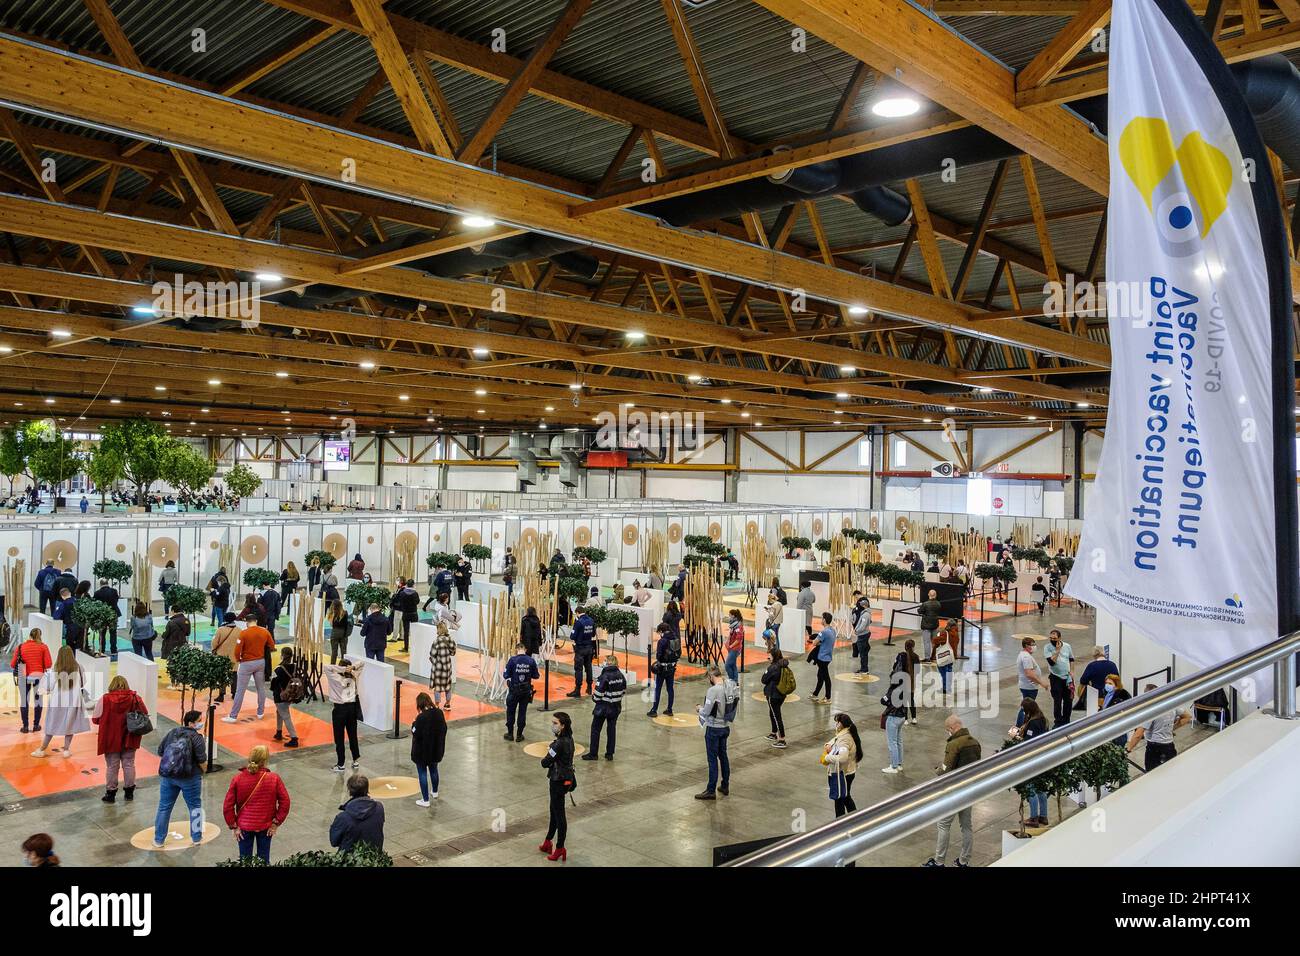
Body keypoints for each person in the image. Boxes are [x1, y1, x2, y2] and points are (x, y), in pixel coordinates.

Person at [925, 715, 983, 867]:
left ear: (951, 728)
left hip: (954, 791)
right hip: (969, 789)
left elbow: (946, 769)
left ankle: (939, 861)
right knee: (966, 826)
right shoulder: (975, 743)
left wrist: (938, 770)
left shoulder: (954, 744)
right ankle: (964, 861)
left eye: (947, 730)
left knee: (943, 824)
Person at [222, 745, 290, 864]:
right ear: (265, 761)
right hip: (266, 826)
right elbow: (285, 802)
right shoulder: (274, 778)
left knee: (245, 861)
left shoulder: (238, 779)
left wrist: (234, 826)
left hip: (244, 827)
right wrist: (276, 822)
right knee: (263, 861)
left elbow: (227, 806)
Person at [152, 710, 207, 848]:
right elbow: (201, 759)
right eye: (199, 720)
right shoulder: (197, 738)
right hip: (190, 777)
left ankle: (159, 839)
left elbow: (160, 751)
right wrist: (204, 771)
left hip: (169, 776)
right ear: (191, 723)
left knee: (164, 807)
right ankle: (196, 837)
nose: (201, 723)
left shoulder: (172, 732)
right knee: (195, 807)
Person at [92, 674, 148, 802]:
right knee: (129, 764)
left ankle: (110, 793)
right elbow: (144, 714)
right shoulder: (135, 697)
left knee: (112, 766)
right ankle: (129, 792)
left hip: (110, 737)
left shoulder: (104, 699)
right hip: (130, 736)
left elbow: (95, 719)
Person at [31, 646, 89, 758]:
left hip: (57, 702)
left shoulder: (55, 670)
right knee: (70, 725)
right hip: (74, 701)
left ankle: (42, 749)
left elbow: (48, 686)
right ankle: (66, 750)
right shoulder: (79, 668)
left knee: (51, 725)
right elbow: (83, 683)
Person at [695, 664, 736, 800]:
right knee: (723, 756)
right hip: (725, 727)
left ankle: (711, 789)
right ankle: (725, 785)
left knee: (712, 759)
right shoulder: (730, 685)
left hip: (714, 728)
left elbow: (706, 711)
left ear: (711, 677)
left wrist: (699, 709)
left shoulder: (713, 691)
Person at [538, 711, 575, 862]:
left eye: (555, 723)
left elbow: (544, 762)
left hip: (557, 781)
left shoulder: (558, 744)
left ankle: (560, 848)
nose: (552, 726)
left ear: (563, 726)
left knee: (559, 815)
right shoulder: (569, 739)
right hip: (566, 779)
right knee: (554, 810)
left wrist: (549, 753)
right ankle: (548, 841)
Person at [1127, 687, 1191, 771]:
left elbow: (1138, 735)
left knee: (1152, 774)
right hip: (1169, 747)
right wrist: (1172, 728)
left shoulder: (1151, 711)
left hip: (1154, 749)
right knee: (1170, 772)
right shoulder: (1171, 705)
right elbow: (1187, 717)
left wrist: (1128, 749)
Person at [223, 618, 275, 722]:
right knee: (261, 688)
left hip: (246, 663)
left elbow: (237, 650)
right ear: (256, 621)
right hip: (260, 662)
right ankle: (260, 712)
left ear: (247, 622)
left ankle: (233, 716)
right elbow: (272, 645)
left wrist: (239, 659)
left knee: (240, 690)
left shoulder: (244, 633)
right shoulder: (265, 631)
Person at [1011, 698, 1050, 825]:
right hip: (1043, 758)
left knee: (1031, 788)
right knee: (1041, 788)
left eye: (1023, 709)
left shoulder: (1033, 723)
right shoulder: (1043, 719)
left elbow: (1029, 742)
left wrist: (1016, 737)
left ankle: (1033, 817)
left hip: (1033, 759)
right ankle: (1043, 816)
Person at [324, 658, 365, 771]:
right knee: (353, 735)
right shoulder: (354, 675)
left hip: (339, 710)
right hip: (352, 709)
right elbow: (361, 663)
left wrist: (342, 669)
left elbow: (327, 667)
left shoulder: (335, 677)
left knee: (339, 738)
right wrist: (351, 668)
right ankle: (355, 760)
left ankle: (341, 764)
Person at [584, 654, 626, 761]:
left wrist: (594, 698)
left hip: (603, 708)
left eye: (604, 661)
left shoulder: (604, 677)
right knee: (611, 730)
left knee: (595, 729)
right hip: (616, 707)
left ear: (607, 663)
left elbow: (598, 695)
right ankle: (609, 753)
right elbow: (623, 691)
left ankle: (593, 754)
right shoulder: (621, 676)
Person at [822, 713, 863, 819]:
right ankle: (854, 819)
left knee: (839, 799)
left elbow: (842, 758)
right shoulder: (847, 734)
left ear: (842, 724)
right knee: (845, 796)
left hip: (842, 774)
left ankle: (840, 821)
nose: (836, 724)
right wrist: (829, 744)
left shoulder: (845, 739)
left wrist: (827, 758)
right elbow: (836, 740)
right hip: (848, 772)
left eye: (837, 722)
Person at [330, 774, 385, 853]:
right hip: (374, 855)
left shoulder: (343, 817)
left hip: (351, 859)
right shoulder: (379, 808)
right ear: (367, 789)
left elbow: (334, 841)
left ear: (349, 790)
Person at [11, 627, 51, 733]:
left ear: (30, 635)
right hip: (39, 677)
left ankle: (25, 727)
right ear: (40, 636)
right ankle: (36, 725)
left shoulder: (21, 647)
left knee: (24, 701)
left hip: (24, 677)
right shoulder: (43, 647)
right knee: (38, 701)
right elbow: (48, 664)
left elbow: (12, 664)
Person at [410, 692, 447, 806]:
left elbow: (415, 732)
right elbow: (444, 728)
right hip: (435, 750)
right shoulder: (439, 713)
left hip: (422, 752)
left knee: (422, 773)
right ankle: (434, 792)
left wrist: (413, 725)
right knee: (434, 770)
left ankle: (425, 800)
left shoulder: (421, 718)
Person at [503, 642, 540, 741]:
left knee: (510, 711)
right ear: (525, 650)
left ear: (516, 649)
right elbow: (536, 676)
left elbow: (506, 675)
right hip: (526, 691)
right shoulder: (531, 661)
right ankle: (519, 735)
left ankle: (510, 734)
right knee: (522, 712)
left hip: (514, 690)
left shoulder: (512, 660)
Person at [881, 651, 909, 773]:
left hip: (893, 715)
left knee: (892, 742)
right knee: (898, 741)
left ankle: (893, 766)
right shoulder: (907, 678)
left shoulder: (895, 683)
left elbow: (885, 699)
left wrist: (884, 699)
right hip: (902, 715)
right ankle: (899, 764)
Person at [760, 648, 792, 748]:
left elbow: (764, 680)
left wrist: (768, 669)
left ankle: (781, 739)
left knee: (776, 716)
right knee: (773, 713)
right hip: (781, 694)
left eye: (769, 655)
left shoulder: (773, 667)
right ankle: (774, 733)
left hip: (773, 694)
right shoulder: (783, 665)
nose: (768, 657)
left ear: (773, 656)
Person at [270, 647, 300, 748]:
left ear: (282, 655)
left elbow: (273, 683)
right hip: (291, 694)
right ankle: (279, 732)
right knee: (279, 712)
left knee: (286, 716)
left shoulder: (278, 669)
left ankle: (294, 738)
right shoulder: (295, 667)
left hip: (280, 696)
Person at [1044, 629, 1075, 728]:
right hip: (1055, 677)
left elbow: (1071, 659)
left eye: (1055, 638)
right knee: (1057, 700)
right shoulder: (1047, 648)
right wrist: (1057, 651)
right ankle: (1058, 721)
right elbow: (1051, 662)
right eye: (1051, 638)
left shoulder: (1067, 646)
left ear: (1059, 638)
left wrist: (1072, 671)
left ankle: (1066, 720)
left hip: (1067, 677)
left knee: (1068, 700)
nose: (1052, 640)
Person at [646, 623, 678, 718]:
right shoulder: (675, 639)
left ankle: (654, 710)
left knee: (658, 689)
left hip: (662, 668)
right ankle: (669, 709)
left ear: (661, 631)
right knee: (670, 689)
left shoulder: (662, 641)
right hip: (672, 667)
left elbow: (658, 655)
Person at [1016, 636, 1050, 724]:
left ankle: (1022, 726)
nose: (1034, 646)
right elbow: (1029, 673)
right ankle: (1020, 727)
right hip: (1029, 686)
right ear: (1027, 646)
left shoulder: (1024, 655)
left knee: (1026, 707)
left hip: (1028, 685)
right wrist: (1042, 683)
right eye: (1032, 645)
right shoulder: (1026, 657)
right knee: (1026, 708)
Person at [567, 605, 597, 698]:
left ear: (577, 613)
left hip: (580, 649)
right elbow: (593, 634)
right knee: (589, 668)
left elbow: (572, 636)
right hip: (589, 648)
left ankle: (578, 690)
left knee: (578, 669)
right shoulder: (591, 621)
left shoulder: (578, 622)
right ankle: (589, 687)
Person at [429, 620, 457, 710]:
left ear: (439, 629)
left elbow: (432, 654)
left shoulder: (436, 641)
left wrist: (434, 661)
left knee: (438, 686)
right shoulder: (451, 640)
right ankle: (448, 704)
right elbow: (453, 653)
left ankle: (437, 705)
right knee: (447, 685)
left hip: (438, 667)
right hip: (448, 666)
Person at [809, 611, 835, 704]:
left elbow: (814, 642)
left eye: (822, 618)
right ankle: (815, 694)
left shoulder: (823, 632)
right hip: (828, 656)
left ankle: (828, 697)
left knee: (825, 677)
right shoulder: (832, 630)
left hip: (822, 657)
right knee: (820, 676)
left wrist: (817, 642)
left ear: (824, 620)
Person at [92, 578, 121, 656]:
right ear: (108, 583)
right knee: (113, 633)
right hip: (113, 614)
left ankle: (102, 650)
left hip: (102, 615)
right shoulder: (114, 591)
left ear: (100, 584)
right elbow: (116, 600)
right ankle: (114, 650)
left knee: (102, 633)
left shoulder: (97, 593)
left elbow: (95, 604)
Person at [52, 587, 83, 653]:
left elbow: (56, 616)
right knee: (79, 648)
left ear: (62, 596)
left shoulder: (63, 604)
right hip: (81, 627)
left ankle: (71, 661)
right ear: (70, 593)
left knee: (70, 648)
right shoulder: (78, 601)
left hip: (71, 628)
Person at [918, 589, 941, 659]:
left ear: (928, 595)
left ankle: (927, 657)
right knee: (934, 642)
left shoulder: (925, 604)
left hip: (926, 625)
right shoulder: (938, 604)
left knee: (927, 642)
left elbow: (920, 611)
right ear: (935, 595)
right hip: (935, 625)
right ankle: (933, 656)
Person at [851, 594, 871, 673]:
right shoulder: (865, 613)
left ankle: (864, 669)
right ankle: (863, 668)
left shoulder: (865, 615)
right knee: (863, 652)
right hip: (863, 634)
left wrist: (856, 631)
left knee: (863, 653)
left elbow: (862, 626)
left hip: (862, 635)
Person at [328, 600, 352, 665]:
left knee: (334, 652)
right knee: (343, 651)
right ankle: (343, 666)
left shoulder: (332, 613)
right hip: (343, 633)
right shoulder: (345, 613)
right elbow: (347, 624)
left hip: (334, 632)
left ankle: (332, 666)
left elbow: (331, 624)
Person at [934, 628, 956, 698]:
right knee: (949, 671)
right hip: (950, 657)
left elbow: (936, 642)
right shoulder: (950, 634)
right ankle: (948, 687)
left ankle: (945, 688)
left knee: (944, 673)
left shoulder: (941, 634)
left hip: (943, 658)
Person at [724, 608, 744, 682]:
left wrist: (731, 646)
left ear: (733, 616)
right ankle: (735, 681)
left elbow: (738, 639)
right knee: (733, 665)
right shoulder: (734, 625)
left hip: (735, 649)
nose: (729, 617)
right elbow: (732, 635)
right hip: (732, 648)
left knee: (727, 665)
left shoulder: (738, 626)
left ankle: (732, 680)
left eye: (730, 615)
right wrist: (727, 642)